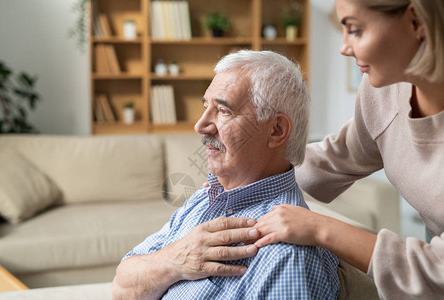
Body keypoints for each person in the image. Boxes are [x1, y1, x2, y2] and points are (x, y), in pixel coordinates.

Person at [251, 0, 444, 299]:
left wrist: (319, 228)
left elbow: (437, 270)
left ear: (416, 21)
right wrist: (251, 168)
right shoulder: (384, 90)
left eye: (355, 30)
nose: (344, 47)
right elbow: (336, 158)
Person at [111, 50, 340, 300]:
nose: (200, 125)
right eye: (206, 105)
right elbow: (122, 287)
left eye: (223, 110)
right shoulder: (208, 195)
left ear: (276, 130)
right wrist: (174, 260)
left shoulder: (286, 256)